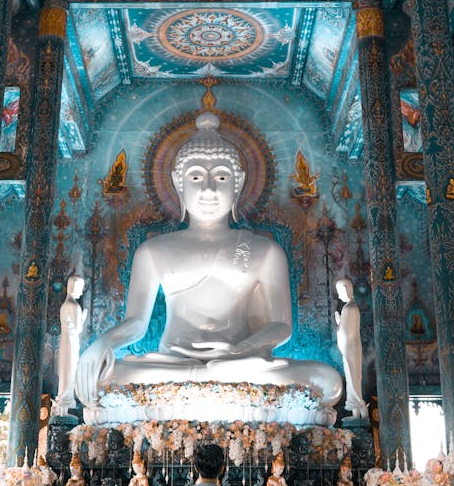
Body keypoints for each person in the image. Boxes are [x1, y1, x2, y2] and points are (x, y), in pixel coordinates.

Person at [77, 112, 343, 424]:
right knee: (99, 379)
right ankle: (208, 377)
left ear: (238, 184)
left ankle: (210, 377)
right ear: (178, 184)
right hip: (172, 363)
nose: (208, 190)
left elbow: (281, 326)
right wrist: (102, 343)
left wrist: (239, 352)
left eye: (220, 178)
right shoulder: (153, 250)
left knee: (328, 381)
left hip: (241, 362)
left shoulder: (265, 250)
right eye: (194, 178)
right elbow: (136, 322)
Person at [335, 278, 369, 419]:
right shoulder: (352, 307)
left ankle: (360, 406)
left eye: (339, 292)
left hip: (349, 347)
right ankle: (356, 412)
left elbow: (343, 332)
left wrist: (338, 321)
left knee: (353, 378)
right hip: (353, 346)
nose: (338, 296)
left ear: (345, 289)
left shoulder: (348, 308)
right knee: (353, 378)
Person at [54, 273, 86, 414]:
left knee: (65, 369)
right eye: (80, 287)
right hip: (72, 342)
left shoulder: (65, 305)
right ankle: (66, 398)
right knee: (71, 369)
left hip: (64, 341)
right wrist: (83, 317)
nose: (81, 291)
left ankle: (64, 396)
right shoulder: (74, 306)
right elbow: (78, 329)